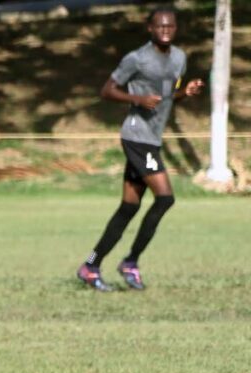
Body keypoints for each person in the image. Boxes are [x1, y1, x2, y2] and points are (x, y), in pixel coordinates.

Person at [76, 7, 203, 292]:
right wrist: (137, 99)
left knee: (128, 208)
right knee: (166, 198)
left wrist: (186, 93)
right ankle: (131, 262)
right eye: (160, 26)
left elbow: (168, 97)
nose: (165, 30)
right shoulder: (137, 58)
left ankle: (91, 266)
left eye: (170, 26)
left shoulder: (180, 58)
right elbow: (107, 90)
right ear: (150, 28)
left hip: (152, 138)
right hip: (136, 136)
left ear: (175, 28)